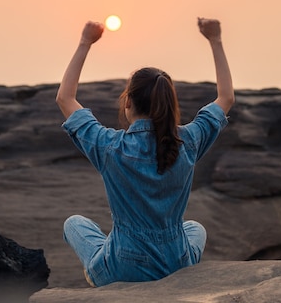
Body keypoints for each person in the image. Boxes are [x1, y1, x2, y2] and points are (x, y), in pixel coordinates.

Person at [56, 17, 234, 287]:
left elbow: (65, 98)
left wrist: (85, 42)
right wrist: (215, 40)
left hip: (123, 267)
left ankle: (104, 266)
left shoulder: (109, 147)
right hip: (175, 264)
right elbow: (225, 98)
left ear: (128, 102)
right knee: (195, 228)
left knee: (74, 224)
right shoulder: (188, 141)